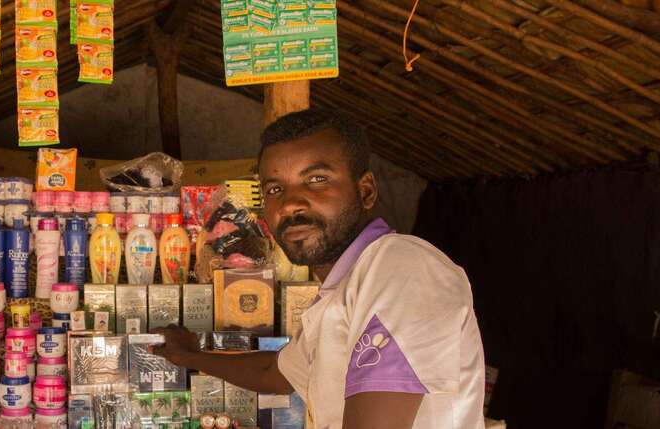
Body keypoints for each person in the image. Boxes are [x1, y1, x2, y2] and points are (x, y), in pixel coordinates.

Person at [152, 109, 486, 428]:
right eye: (274, 189)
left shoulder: (402, 267)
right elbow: (277, 372)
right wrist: (190, 358)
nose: (290, 203)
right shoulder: (337, 293)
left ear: (365, 190)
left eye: (316, 179)